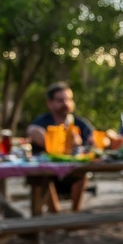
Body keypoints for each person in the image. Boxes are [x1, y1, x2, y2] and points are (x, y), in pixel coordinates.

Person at [27, 82, 95, 210]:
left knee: (83, 173)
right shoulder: (42, 121)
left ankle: (75, 213)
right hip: (47, 175)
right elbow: (32, 131)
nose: (66, 104)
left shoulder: (79, 123)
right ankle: (55, 216)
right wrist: (58, 139)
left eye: (69, 99)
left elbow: (95, 141)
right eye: (60, 100)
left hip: (73, 174)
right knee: (42, 178)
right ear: (49, 103)